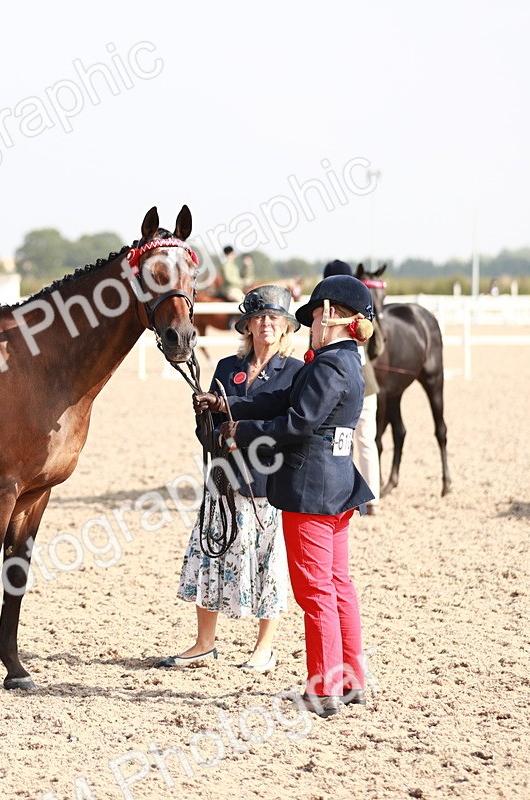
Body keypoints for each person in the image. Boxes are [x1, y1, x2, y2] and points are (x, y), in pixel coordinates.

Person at [193, 273, 376, 718]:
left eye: (313, 315)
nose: (310, 324)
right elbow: (281, 401)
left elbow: (296, 423)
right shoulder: (343, 360)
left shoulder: (329, 365)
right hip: (336, 486)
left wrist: (242, 432)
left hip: (312, 490)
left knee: (315, 592)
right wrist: (228, 405)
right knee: (337, 586)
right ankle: (350, 680)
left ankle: (323, 688)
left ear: (330, 315)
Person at [161, 285, 302, 673]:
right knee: (209, 554)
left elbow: (284, 424)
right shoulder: (226, 368)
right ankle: (204, 643)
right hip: (222, 478)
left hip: (266, 482)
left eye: (274, 318)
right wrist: (204, 420)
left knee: (266, 562)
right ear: (248, 325)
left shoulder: (294, 372)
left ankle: (265, 647)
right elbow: (210, 427)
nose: (266, 324)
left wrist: (240, 428)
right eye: (259, 318)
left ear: (286, 326)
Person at [323, 261, 384, 515]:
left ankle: (344, 495)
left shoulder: (324, 315)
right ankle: (373, 501)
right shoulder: (363, 311)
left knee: (339, 441)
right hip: (365, 383)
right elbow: (378, 346)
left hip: (335, 388)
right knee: (366, 440)